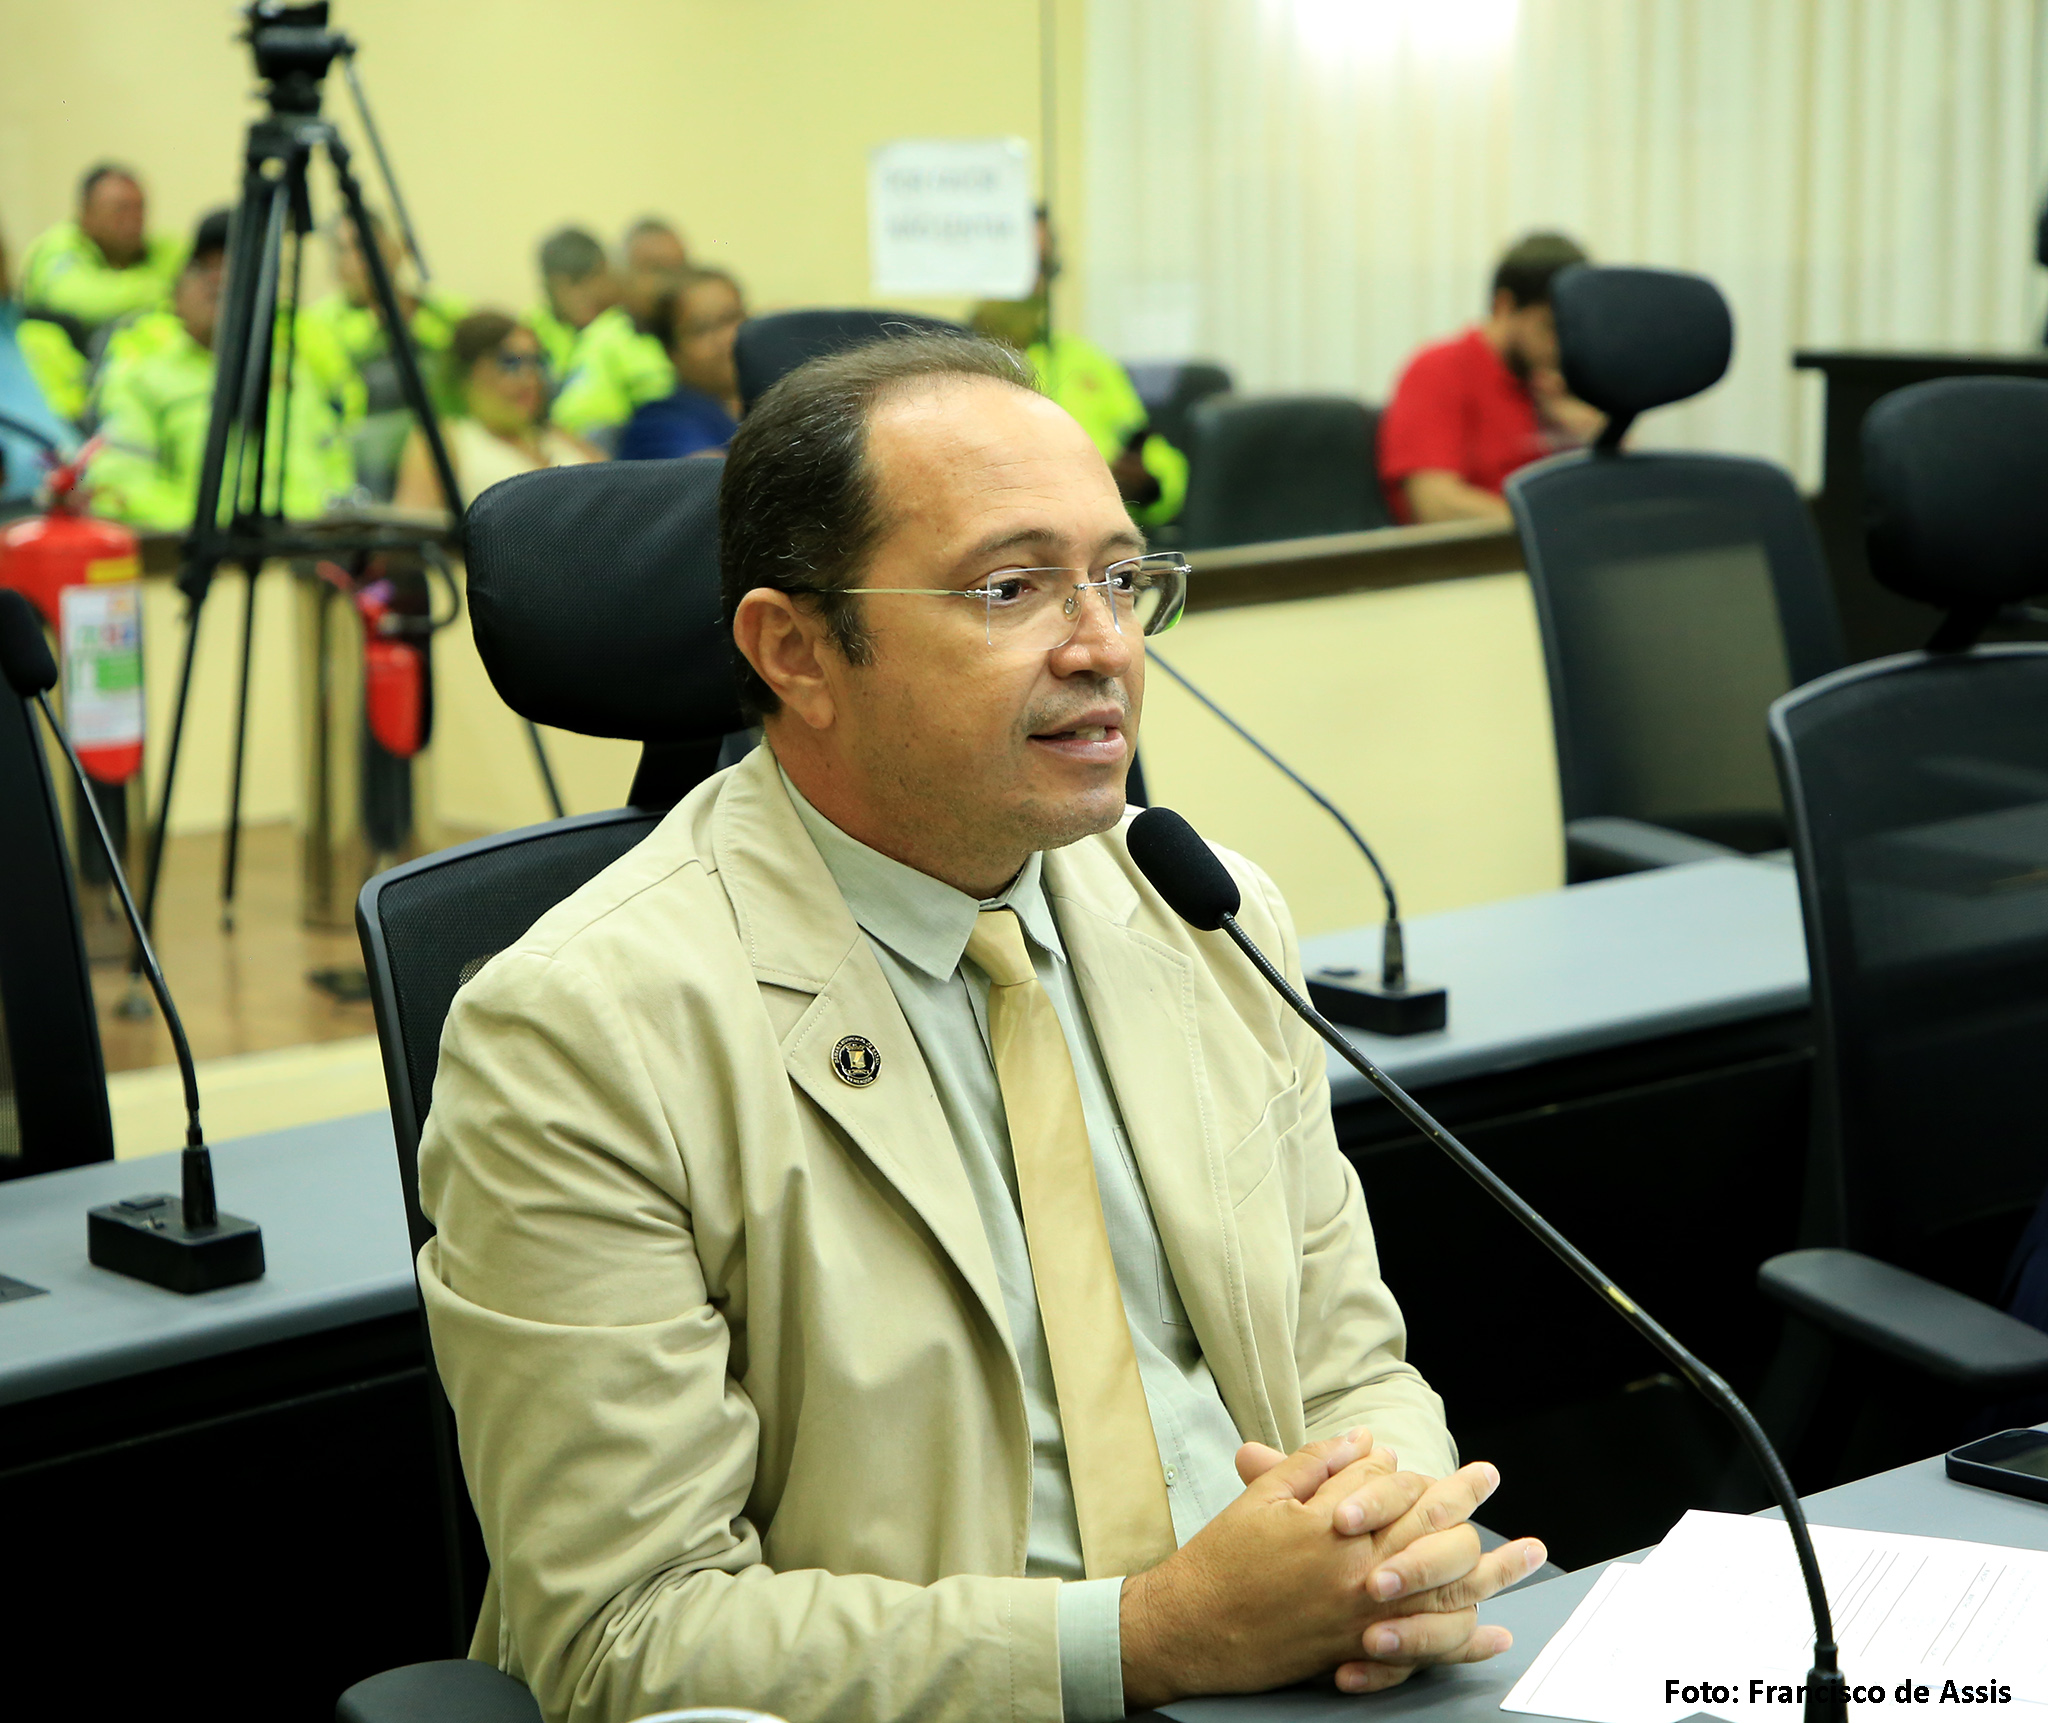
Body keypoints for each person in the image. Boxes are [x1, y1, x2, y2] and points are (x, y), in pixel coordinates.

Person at [416, 332, 1544, 1723]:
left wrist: (1392, 1537)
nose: (1102, 644)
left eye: (1120, 577)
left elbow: (1347, 1362)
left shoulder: (1204, 909)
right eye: (1010, 589)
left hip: (1302, 1680)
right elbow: (628, 1633)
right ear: (796, 650)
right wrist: (1151, 1636)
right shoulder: (578, 1029)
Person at [89, 209, 348, 531]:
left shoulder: (293, 373)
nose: (220, 279)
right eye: (204, 268)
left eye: (236, 268)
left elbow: (337, 475)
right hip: (203, 550)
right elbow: (118, 489)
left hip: (309, 548)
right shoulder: (140, 377)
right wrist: (218, 531)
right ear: (176, 294)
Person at [972, 215, 1186, 529]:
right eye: (1020, 264)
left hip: (1104, 529)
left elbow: (1158, 458)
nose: (1034, 283)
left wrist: (1147, 486)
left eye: (1045, 268)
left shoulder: (1086, 360)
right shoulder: (955, 364)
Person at [1377, 232, 1605, 524]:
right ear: (1504, 306)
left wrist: (1595, 434)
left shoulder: (1561, 381)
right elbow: (1435, 505)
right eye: (1548, 327)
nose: (1561, 345)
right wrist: (1554, 528)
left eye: (1571, 329)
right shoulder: (1438, 371)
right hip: (1486, 551)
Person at [392, 310, 601, 511]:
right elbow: (414, 525)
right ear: (468, 372)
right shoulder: (447, 441)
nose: (530, 378)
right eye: (511, 362)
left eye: (536, 361)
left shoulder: (559, 437)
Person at [297, 210, 467, 424]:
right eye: (343, 250)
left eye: (363, 244)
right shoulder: (313, 327)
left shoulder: (447, 311)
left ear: (396, 247)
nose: (357, 259)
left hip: (447, 434)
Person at [524, 225, 671, 439]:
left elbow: (657, 391)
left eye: (595, 276)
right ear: (549, 287)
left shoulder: (623, 327)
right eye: (575, 282)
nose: (590, 291)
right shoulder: (529, 334)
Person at [16, 163, 184, 338]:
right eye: (121, 209)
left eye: (139, 207)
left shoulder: (161, 248)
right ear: (87, 213)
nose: (134, 218)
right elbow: (75, 299)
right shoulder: (57, 246)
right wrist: (167, 294)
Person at [615, 267, 743, 460]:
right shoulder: (658, 422)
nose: (727, 338)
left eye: (732, 318)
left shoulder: (768, 397)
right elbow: (707, 471)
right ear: (670, 350)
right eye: (701, 329)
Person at [619, 216, 691, 330]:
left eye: (679, 268)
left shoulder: (694, 333)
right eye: (657, 270)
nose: (671, 282)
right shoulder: (608, 337)